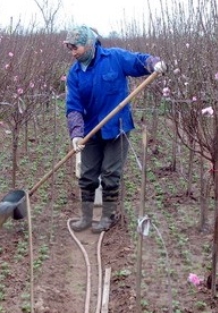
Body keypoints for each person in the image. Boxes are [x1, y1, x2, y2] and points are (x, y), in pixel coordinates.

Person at [63, 25, 166, 233]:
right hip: (91, 129)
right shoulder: (74, 74)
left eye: (76, 47)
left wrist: (154, 63)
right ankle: (86, 218)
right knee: (87, 174)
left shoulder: (115, 58)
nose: (73, 52)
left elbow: (139, 61)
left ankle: (108, 217)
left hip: (117, 128)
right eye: (70, 48)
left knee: (110, 173)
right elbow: (73, 106)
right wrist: (76, 133)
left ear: (90, 45)